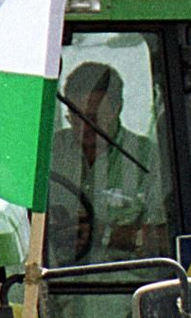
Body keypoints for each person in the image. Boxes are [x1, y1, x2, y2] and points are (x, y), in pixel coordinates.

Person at [49, 61, 166, 265]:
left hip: (120, 288)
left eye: (93, 119)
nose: (84, 128)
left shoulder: (146, 159)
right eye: (75, 118)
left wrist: (105, 234)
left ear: (117, 108)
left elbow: (165, 239)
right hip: (59, 286)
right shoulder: (51, 154)